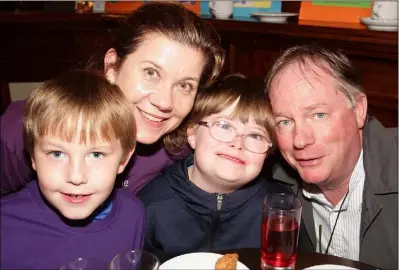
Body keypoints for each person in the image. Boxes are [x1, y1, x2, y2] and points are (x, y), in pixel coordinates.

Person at [0, 2, 225, 197]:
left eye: (185, 85)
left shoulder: (181, 145)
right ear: (112, 66)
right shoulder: (27, 128)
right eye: (151, 73)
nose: (165, 102)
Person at [264, 44, 397, 270]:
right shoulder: (269, 182)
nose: (300, 140)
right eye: (284, 122)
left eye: (318, 115)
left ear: (358, 111)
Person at [1, 70, 145, 269]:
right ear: (33, 156)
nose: (76, 176)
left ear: (123, 160)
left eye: (96, 155)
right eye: (57, 154)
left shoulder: (134, 214)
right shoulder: (6, 226)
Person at [137, 74, 289, 262]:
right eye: (224, 126)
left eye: (256, 136)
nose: (238, 144)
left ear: (268, 152)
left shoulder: (281, 210)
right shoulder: (148, 207)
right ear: (192, 134)